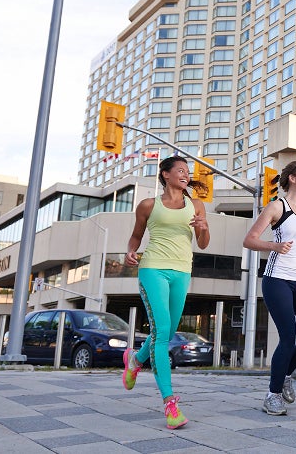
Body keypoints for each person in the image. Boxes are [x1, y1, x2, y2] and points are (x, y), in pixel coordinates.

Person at [121, 156, 210, 430]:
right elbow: (136, 235)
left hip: (182, 271)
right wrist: (130, 251)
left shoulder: (196, 206)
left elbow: (203, 244)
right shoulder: (149, 205)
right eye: (180, 170)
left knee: (168, 332)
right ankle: (170, 403)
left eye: (187, 172)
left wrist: (203, 228)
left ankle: (135, 360)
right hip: (153, 269)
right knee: (161, 331)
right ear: (166, 174)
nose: (185, 174)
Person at [243, 161, 296, 415]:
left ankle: (286, 373)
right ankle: (273, 394)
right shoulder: (277, 206)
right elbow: (249, 240)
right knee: (288, 336)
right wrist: (274, 246)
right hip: (277, 278)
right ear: (291, 178)